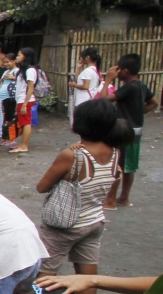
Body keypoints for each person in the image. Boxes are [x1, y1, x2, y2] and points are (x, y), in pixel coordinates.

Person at [36, 99, 124, 276]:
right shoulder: (115, 152)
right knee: (88, 276)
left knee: (44, 274)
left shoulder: (72, 155)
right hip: (94, 220)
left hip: (65, 225)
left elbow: (42, 187)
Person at [105, 53, 157, 209]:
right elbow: (154, 102)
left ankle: (111, 200)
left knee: (117, 165)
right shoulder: (141, 86)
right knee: (129, 166)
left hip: (123, 131)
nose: (116, 71)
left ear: (125, 71)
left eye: (118, 69)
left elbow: (103, 100)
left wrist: (108, 80)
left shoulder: (128, 88)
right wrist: (138, 113)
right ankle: (124, 198)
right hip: (136, 130)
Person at [10, 47, 40, 154]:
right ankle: (22, 144)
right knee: (23, 122)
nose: (17, 57)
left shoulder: (30, 70)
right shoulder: (22, 70)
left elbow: (30, 88)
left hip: (26, 100)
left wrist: (25, 104)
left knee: (26, 122)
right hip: (21, 99)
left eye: (19, 55)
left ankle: (24, 145)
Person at [68, 47, 104, 120]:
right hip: (90, 99)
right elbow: (77, 80)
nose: (81, 58)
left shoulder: (87, 71)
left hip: (83, 100)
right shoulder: (96, 70)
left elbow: (85, 86)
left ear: (87, 57)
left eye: (82, 56)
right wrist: (79, 68)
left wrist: (73, 85)